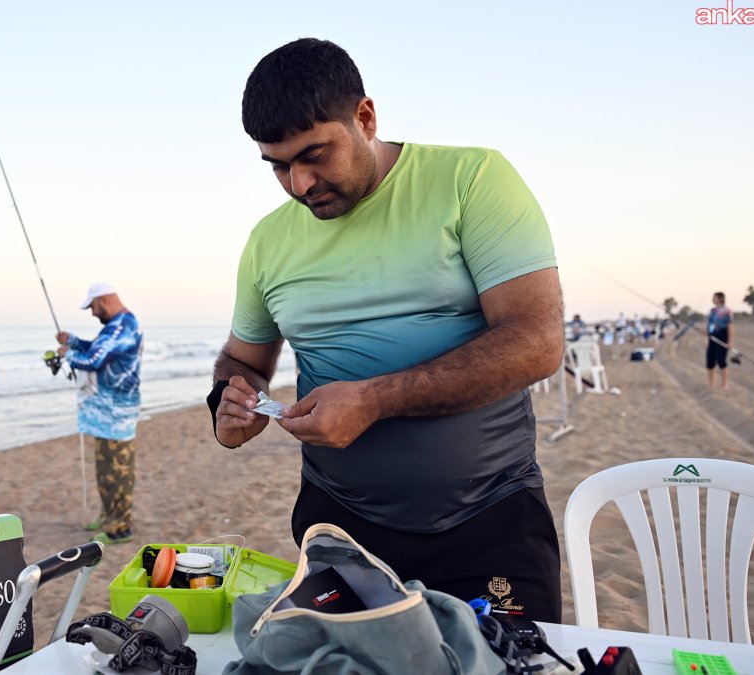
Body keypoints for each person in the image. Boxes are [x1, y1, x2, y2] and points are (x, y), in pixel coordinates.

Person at [208, 38, 565, 622]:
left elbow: (537, 343)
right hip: (338, 529)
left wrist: (374, 401)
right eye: (278, 165)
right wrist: (230, 401)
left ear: (365, 118)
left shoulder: (471, 178)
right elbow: (242, 358)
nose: (299, 183)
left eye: (314, 154)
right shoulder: (267, 241)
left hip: (489, 518)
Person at [56, 282, 143, 545]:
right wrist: (72, 341)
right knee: (108, 469)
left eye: (92, 306)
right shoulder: (117, 327)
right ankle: (109, 517)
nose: (92, 313)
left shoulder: (121, 328)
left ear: (104, 301)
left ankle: (119, 528)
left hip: (116, 415)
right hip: (109, 415)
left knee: (116, 472)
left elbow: (94, 360)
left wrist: (68, 353)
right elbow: (96, 349)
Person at [706, 291, 734, 389]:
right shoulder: (712, 311)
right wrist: (709, 333)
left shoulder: (727, 311)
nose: (712, 299)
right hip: (712, 338)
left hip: (722, 337)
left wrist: (730, 342)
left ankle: (725, 384)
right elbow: (711, 325)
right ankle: (711, 384)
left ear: (720, 298)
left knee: (722, 361)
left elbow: (730, 326)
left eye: (714, 297)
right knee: (710, 361)